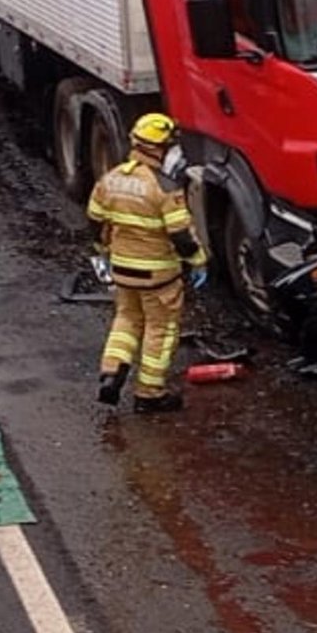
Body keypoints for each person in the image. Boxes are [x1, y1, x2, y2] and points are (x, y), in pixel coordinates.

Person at [88, 110, 201, 412]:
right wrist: (199, 261)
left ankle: (111, 373)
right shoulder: (163, 186)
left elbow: (95, 221)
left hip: (122, 269)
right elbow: (181, 237)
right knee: (160, 330)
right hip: (158, 275)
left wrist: (103, 250)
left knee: (126, 320)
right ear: (160, 148)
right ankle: (149, 394)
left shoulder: (111, 180)